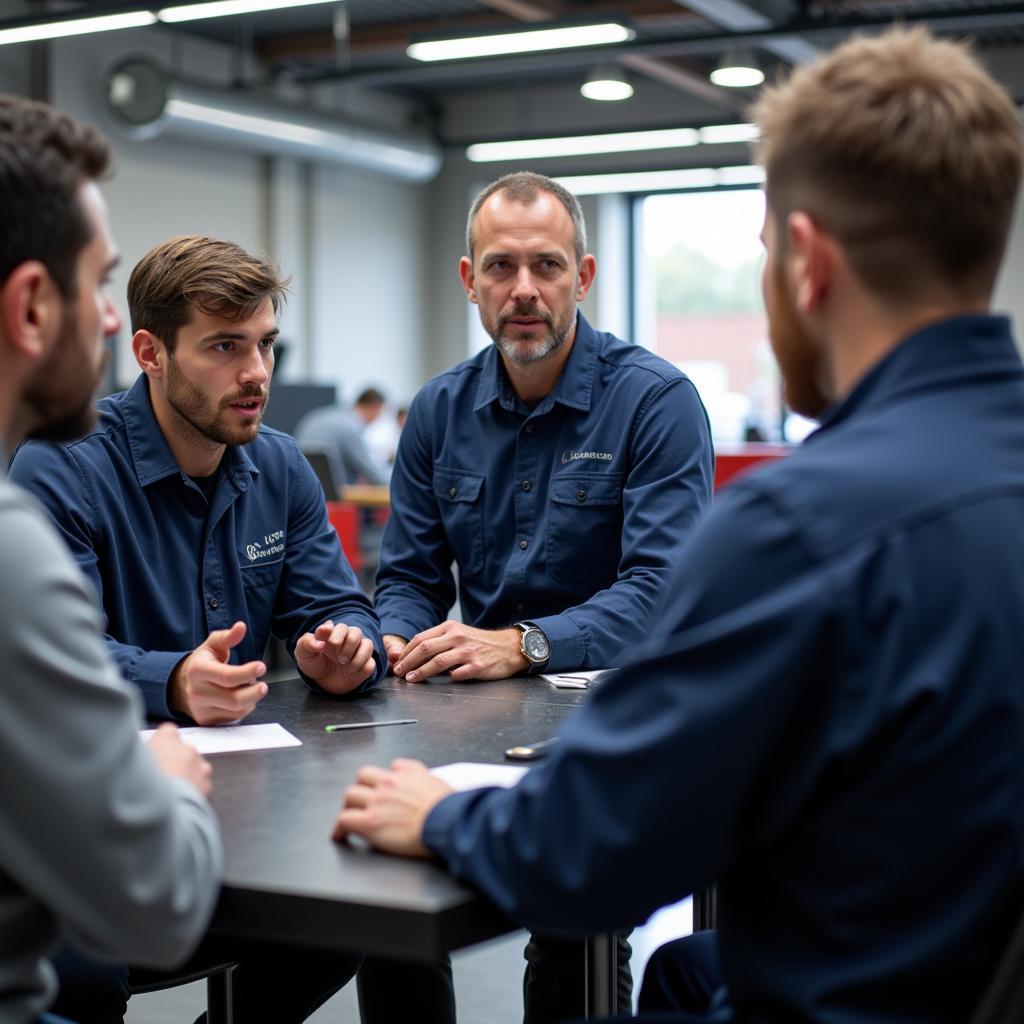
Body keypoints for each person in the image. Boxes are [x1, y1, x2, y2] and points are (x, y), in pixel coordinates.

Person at [334, 27, 1024, 1024]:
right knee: (677, 975)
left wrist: (442, 814)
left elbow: (595, 849)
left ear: (804, 259)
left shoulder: (800, 529)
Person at [11, 235, 386, 1022]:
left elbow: (342, 610)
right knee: (78, 971)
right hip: (101, 809)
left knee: (346, 915)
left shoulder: (281, 466)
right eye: (225, 347)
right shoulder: (63, 464)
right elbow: (53, 666)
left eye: (265, 345)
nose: (256, 374)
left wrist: (346, 651)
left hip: (247, 804)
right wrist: (174, 679)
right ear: (150, 352)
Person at [371, 171, 713, 1021]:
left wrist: (520, 642)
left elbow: (661, 592)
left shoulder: (656, 403)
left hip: (609, 715)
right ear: (469, 280)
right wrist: (394, 641)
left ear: (584, 277)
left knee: (572, 916)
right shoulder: (436, 412)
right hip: (468, 710)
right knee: (383, 889)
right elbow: (410, 576)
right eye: (501, 267)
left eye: (547, 266)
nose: (524, 290)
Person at [0, 95, 220, 1024]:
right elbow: (157, 901)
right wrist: (168, 789)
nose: (103, 321)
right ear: (31, 306)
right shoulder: (11, 551)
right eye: (97, 285)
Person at [295, 385, 391, 488]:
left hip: (304, 491)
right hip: (336, 497)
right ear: (375, 407)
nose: (379, 417)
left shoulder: (323, 416)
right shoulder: (350, 426)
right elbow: (374, 473)